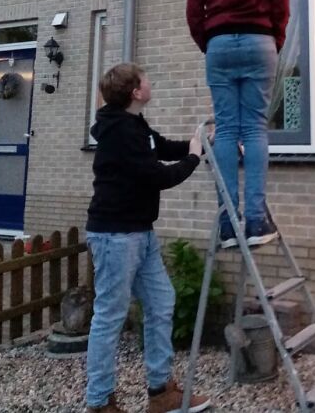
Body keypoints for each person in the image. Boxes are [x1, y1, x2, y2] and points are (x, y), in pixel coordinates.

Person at [85, 63, 210, 413]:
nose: (150, 82)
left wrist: (195, 143)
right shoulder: (120, 131)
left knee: (161, 302)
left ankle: (160, 391)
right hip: (115, 236)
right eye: (145, 80)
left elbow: (161, 147)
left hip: (140, 232)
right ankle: (99, 402)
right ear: (135, 92)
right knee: (109, 316)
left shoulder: (135, 125)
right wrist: (193, 158)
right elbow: (158, 176)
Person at [186, 0, 289, 249]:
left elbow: (193, 12)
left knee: (227, 131)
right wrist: (273, 43)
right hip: (259, 40)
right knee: (256, 130)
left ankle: (229, 224)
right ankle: (257, 221)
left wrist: (209, 44)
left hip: (219, 44)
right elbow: (280, 1)